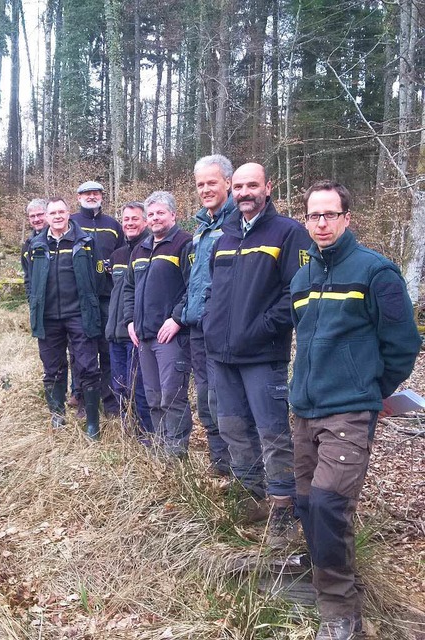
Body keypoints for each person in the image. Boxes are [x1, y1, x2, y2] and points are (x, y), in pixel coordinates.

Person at [290, 181, 421, 640]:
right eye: (313, 215)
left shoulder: (375, 271)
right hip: (304, 410)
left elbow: (404, 344)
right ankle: (321, 575)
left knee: (329, 503)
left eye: (330, 214)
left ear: (348, 217)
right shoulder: (302, 278)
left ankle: (342, 614)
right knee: (305, 503)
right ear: (305, 220)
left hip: (349, 412)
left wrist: (371, 390)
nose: (321, 223)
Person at [202, 162, 311, 546]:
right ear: (232, 190)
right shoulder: (226, 235)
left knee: (272, 432)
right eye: (240, 187)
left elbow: (296, 294)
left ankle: (283, 506)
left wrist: (262, 328)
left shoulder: (288, 233)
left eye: (253, 185)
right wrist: (214, 327)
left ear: (268, 187)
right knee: (232, 426)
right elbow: (215, 290)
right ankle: (251, 496)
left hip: (263, 355)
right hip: (222, 354)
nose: (245, 192)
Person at [124, 191, 194, 458]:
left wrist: (177, 319)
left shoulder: (184, 244)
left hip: (170, 338)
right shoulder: (141, 248)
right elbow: (129, 288)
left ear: (173, 215)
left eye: (160, 213)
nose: (155, 218)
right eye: (150, 214)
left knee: (172, 398)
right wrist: (129, 321)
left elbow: (194, 288)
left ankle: (176, 455)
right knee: (153, 398)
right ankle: (161, 449)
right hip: (143, 337)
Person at [28, 197, 103, 438]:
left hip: (79, 315)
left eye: (61, 211)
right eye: (53, 213)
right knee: (52, 369)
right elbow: (29, 279)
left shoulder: (86, 242)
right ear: (46, 217)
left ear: (69, 214)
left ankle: (92, 422)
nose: (58, 216)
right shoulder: (35, 245)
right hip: (48, 318)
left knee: (88, 366)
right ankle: (57, 416)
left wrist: (91, 303)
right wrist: (34, 301)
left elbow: (99, 275)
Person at [181, 154, 234, 476]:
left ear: (228, 182)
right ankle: (220, 464)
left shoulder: (236, 225)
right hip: (197, 326)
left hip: (224, 328)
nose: (205, 189)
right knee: (205, 400)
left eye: (211, 182)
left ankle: (243, 471)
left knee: (224, 400)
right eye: (200, 184)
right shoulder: (201, 229)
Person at [71, 181, 125, 415]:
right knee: (81, 350)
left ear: (102, 196)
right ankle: (83, 398)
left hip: (107, 296)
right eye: (87, 193)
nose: (91, 197)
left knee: (107, 348)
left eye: (96, 193)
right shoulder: (72, 223)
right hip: (79, 298)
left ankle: (110, 401)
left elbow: (123, 253)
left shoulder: (113, 225)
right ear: (79, 197)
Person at [105, 202, 153, 442]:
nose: (130, 223)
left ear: (145, 221)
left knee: (140, 389)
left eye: (135, 219)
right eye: (126, 219)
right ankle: (128, 433)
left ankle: (146, 436)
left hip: (135, 334)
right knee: (120, 386)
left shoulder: (150, 250)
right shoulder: (117, 255)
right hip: (114, 335)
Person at [21, 198, 48, 300]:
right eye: (32, 216)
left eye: (40, 214)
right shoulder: (27, 246)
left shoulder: (59, 240)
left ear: (48, 214)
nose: (36, 219)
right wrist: (31, 299)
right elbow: (28, 277)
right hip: (40, 302)